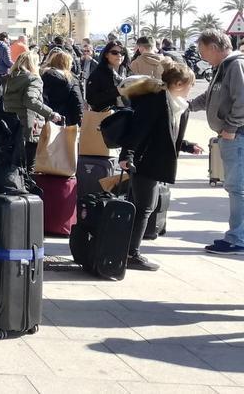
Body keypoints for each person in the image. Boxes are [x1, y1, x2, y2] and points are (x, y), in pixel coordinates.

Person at [118, 61, 203, 269]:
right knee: (144, 207)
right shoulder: (156, 101)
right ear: (179, 83)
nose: (191, 88)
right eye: (190, 84)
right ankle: (131, 254)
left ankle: (127, 250)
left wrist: (187, 146)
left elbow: (167, 135)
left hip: (155, 161)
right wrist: (127, 155)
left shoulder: (178, 106)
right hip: (143, 161)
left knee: (146, 206)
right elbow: (138, 130)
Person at [188, 29, 244, 254]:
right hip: (233, 136)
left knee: (237, 188)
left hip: (237, 136)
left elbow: (242, 100)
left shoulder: (234, 66)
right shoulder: (224, 68)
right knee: (236, 188)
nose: (201, 56)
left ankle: (237, 239)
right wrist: (188, 106)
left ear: (213, 47)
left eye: (202, 51)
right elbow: (212, 97)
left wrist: (231, 127)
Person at [4, 51, 63, 171]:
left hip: (10, 123)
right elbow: (31, 101)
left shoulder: (8, 78)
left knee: (13, 164)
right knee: (30, 165)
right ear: (33, 64)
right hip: (29, 126)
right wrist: (51, 114)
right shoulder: (33, 79)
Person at [41, 50, 83, 126]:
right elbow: (77, 99)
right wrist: (80, 119)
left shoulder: (45, 75)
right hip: (66, 117)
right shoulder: (71, 78)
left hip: (49, 115)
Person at [87, 40, 129, 112]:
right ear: (106, 55)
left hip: (126, 113)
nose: (119, 55)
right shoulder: (98, 73)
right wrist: (116, 91)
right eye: (114, 53)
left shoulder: (127, 71)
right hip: (107, 116)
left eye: (122, 53)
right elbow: (91, 99)